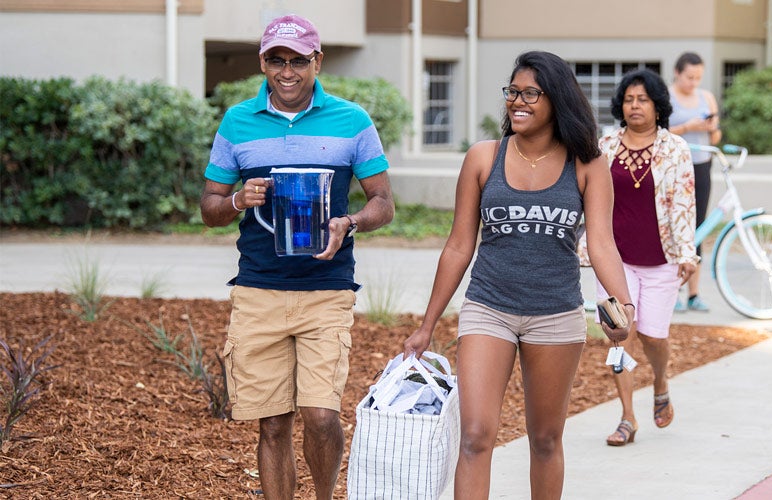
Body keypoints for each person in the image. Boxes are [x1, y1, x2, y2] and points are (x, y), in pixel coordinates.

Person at [402, 50, 634, 499]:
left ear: (557, 100)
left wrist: (623, 304)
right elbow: (458, 245)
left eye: (531, 93)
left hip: (555, 314)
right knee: (475, 435)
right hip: (488, 307)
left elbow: (602, 243)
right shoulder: (483, 158)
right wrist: (427, 325)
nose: (517, 101)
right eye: (513, 91)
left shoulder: (587, 164)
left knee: (545, 439)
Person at [199, 14, 394, 499]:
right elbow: (209, 207)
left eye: (298, 60)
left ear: (317, 62)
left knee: (322, 417)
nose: (287, 71)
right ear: (262, 62)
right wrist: (238, 200)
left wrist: (350, 222)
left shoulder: (352, 121)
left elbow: (383, 203)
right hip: (259, 289)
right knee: (272, 425)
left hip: (326, 289)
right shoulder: (237, 122)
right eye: (275, 60)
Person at [595, 69, 699, 446]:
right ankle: (626, 417)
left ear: (658, 106)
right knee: (618, 337)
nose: (635, 106)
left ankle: (660, 380)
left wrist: (688, 253)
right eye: (628, 99)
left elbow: (686, 203)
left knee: (654, 336)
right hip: (612, 262)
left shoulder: (675, 149)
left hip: (661, 260)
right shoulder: (605, 146)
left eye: (643, 99)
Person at [667, 52, 721, 312]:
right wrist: (687, 127)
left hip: (701, 166)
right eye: (689, 77)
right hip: (675, 169)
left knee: (697, 228)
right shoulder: (666, 97)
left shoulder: (706, 97)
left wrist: (710, 127)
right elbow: (657, 133)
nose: (693, 82)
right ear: (677, 72)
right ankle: (671, 290)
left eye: (698, 77)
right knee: (675, 228)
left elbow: (716, 135)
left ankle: (694, 293)